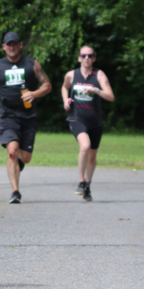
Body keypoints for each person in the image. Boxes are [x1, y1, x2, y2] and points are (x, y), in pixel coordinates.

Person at [0, 32, 52, 203]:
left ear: (20, 45)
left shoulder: (31, 63)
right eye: (8, 44)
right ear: (4, 47)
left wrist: (34, 93)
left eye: (14, 44)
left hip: (28, 116)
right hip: (7, 116)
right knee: (12, 152)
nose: (11, 47)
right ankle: (15, 192)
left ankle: (17, 165)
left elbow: (47, 85)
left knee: (25, 157)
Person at [61, 45, 115, 202]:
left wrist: (96, 91)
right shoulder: (71, 75)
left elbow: (111, 96)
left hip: (95, 121)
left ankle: (87, 187)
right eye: (83, 55)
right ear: (79, 58)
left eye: (90, 56)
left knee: (92, 157)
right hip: (77, 119)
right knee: (84, 146)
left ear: (94, 59)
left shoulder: (99, 75)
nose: (86, 58)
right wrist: (65, 100)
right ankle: (80, 181)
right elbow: (64, 87)